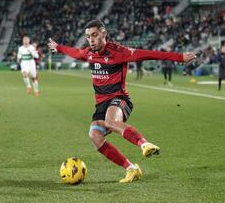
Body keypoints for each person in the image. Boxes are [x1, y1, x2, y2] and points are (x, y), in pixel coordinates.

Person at [47, 19, 196, 183]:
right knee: (95, 135)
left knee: (110, 122)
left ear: (104, 34)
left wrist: (179, 57)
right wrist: (59, 47)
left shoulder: (119, 52)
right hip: (101, 104)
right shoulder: (89, 53)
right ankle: (131, 168)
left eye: (94, 35)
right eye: (88, 36)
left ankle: (144, 144)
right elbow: (76, 52)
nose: (91, 40)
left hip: (120, 99)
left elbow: (147, 54)